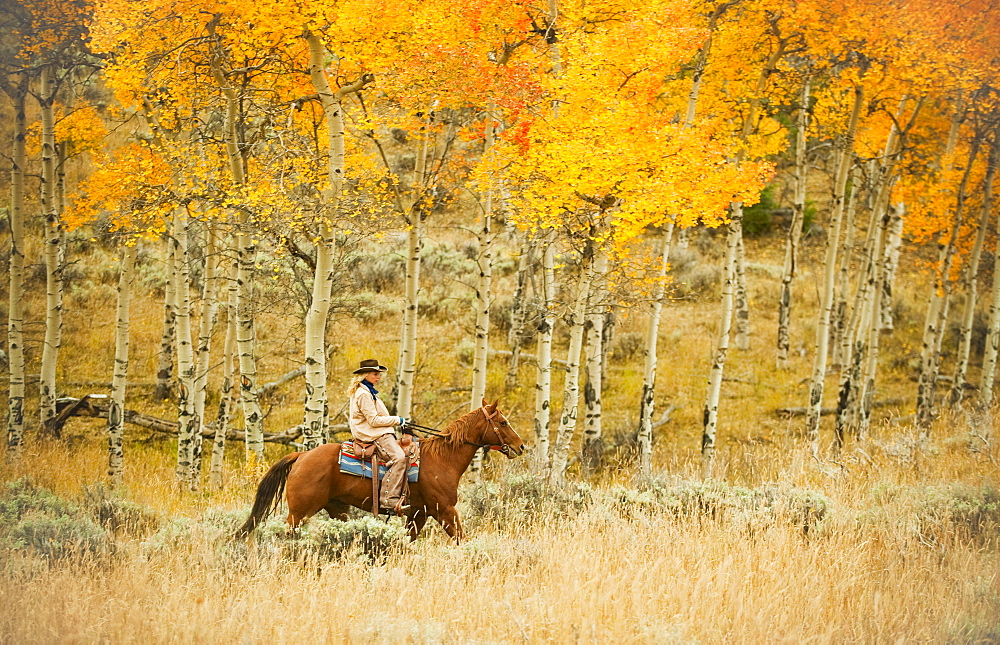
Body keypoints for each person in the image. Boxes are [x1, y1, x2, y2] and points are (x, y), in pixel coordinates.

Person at [348, 359, 410, 516]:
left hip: (378, 431)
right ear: (365, 375)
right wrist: (398, 420)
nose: (378, 377)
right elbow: (374, 421)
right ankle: (389, 500)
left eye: (379, 374)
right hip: (374, 434)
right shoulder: (363, 394)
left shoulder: (367, 391)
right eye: (375, 374)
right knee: (399, 458)